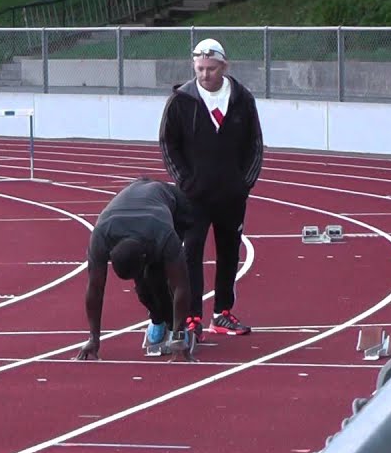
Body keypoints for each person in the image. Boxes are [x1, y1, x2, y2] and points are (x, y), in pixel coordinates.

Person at [159, 38, 264, 337]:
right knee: (190, 254)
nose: (205, 74)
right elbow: (168, 144)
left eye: (211, 68)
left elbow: (254, 143)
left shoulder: (242, 98)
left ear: (224, 67)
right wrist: (185, 181)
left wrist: (244, 183)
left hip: (232, 195)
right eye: (200, 68)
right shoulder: (181, 100)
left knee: (229, 253)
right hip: (193, 196)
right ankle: (192, 316)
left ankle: (223, 313)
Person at [76, 177, 198, 362]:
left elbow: (181, 285)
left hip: (173, 205)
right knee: (143, 287)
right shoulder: (101, 237)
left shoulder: (163, 234)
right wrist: (93, 338)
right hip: (134, 210)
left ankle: (178, 329)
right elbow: (95, 289)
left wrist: (179, 337)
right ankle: (158, 319)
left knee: (158, 276)